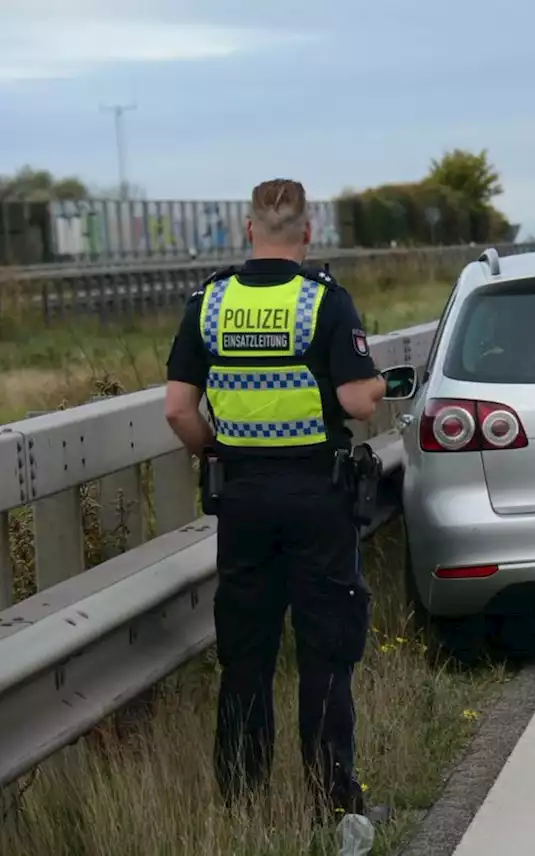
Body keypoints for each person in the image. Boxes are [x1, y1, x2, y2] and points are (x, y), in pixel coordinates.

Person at [162, 178, 388, 820]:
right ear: (308, 232)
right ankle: (331, 802)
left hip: (242, 499)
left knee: (245, 651)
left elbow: (178, 410)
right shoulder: (324, 301)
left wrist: (216, 451)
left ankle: (240, 801)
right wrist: (373, 393)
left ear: (248, 229)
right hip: (318, 495)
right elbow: (353, 400)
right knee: (324, 649)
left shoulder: (207, 303)